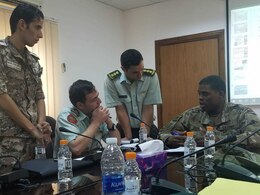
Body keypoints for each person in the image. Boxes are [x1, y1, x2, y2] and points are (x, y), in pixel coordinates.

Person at [0, 4, 51, 174]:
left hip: (34, 142)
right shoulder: (1, 53)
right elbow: (1, 96)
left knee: (37, 186)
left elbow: (39, 95)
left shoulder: (33, 61)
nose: (41, 35)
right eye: (37, 28)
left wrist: (42, 124)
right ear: (22, 24)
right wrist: (32, 128)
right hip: (8, 141)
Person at [160, 75, 260, 154]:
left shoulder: (242, 113)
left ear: (221, 94)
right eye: (199, 94)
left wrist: (219, 141)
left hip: (235, 167)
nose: (200, 98)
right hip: (200, 168)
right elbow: (161, 133)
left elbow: (257, 137)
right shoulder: (192, 114)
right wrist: (169, 139)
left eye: (205, 94)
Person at [53, 80, 121, 158]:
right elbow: (77, 149)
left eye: (97, 96)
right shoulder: (66, 116)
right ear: (80, 105)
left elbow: (117, 143)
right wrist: (96, 122)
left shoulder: (96, 113)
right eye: (94, 100)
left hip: (93, 161)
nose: (99, 101)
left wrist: (108, 121)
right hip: (70, 165)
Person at [104, 49, 162, 139]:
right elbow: (120, 109)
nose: (140, 75)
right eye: (135, 72)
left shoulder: (151, 76)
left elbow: (148, 107)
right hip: (124, 128)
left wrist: (144, 137)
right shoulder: (112, 80)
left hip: (147, 127)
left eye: (142, 69)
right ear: (124, 69)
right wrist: (128, 137)